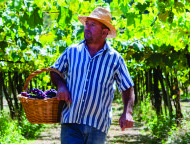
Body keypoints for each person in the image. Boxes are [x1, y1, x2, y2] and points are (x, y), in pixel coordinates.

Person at [50, 7, 135, 144]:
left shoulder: (115, 59)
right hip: (71, 121)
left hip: (98, 125)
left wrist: (127, 112)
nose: (87, 28)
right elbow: (54, 71)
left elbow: (127, 87)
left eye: (92, 25)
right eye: (87, 24)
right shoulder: (72, 51)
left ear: (104, 32)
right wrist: (61, 86)